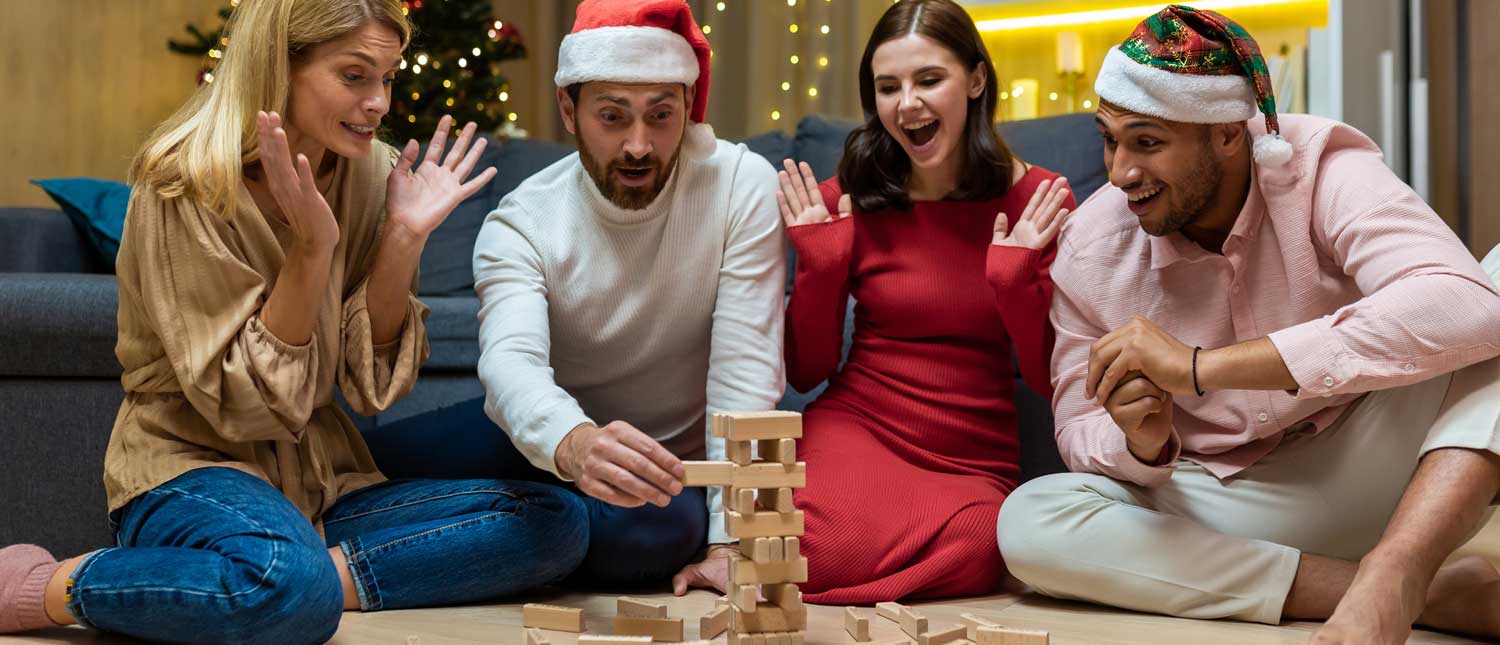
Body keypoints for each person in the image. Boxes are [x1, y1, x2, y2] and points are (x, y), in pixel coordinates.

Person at [0, 0, 588, 641]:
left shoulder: (372, 175)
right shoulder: (181, 184)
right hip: (190, 467)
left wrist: (402, 239)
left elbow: (370, 389)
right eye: (355, 76)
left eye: (387, 78)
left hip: (321, 482)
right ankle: (51, 585)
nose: (380, 103)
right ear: (278, 67)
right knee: (290, 583)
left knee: (556, 519)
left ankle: (290, 579)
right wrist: (311, 252)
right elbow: (246, 411)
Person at [994, 6, 1500, 644]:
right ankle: (1407, 593)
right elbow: (1076, 423)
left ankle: (1400, 569)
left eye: (1147, 142)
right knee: (1031, 522)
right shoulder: (1092, 249)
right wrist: (1142, 441)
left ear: (1228, 134)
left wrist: (1202, 368)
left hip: (1379, 462)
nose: (1121, 172)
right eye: (1109, 139)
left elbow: (1467, 305)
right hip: (1220, 500)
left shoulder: (1321, 167)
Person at [369, 0, 786, 593]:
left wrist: (731, 540)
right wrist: (573, 442)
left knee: (652, 538)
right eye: (613, 117)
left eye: (660, 116)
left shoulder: (742, 186)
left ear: (688, 107)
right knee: (364, 462)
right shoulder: (523, 220)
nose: (639, 146)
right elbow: (511, 364)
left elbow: (745, 373)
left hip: (664, 466)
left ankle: (511, 520)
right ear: (569, 108)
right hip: (551, 434)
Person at [777, 0, 1073, 603]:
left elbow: (1050, 381)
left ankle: (804, 581)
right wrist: (821, 268)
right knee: (800, 535)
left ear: (976, 79)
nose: (906, 103)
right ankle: (824, 573)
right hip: (860, 423)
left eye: (928, 80)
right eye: (889, 87)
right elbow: (807, 370)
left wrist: (1016, 284)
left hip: (970, 454)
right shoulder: (844, 200)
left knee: (992, 542)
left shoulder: (1039, 201)